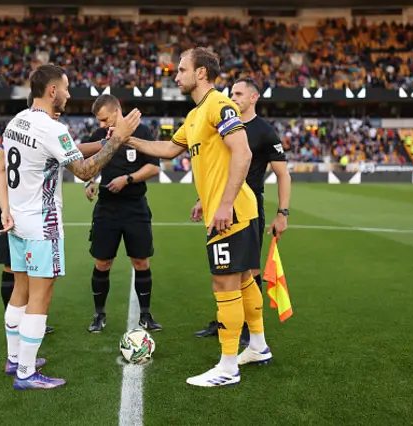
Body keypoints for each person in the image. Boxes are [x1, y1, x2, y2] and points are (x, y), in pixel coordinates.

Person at [126, 47, 269, 387]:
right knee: (245, 279)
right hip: (233, 209)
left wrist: (223, 204)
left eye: (181, 69)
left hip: (232, 212)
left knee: (225, 283)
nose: (176, 76)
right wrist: (126, 138)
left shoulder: (219, 104)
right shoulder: (194, 115)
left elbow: (243, 152)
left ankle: (228, 365)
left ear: (201, 72)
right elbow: (168, 149)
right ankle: (259, 347)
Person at [0, 64, 142, 390]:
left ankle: (15, 359)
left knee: (20, 290)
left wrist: (5, 209)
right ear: (51, 91)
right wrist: (117, 139)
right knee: (40, 297)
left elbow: (0, 167)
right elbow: (86, 171)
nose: (69, 94)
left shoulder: (17, 121)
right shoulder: (50, 128)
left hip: (17, 221)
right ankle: (26, 374)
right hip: (42, 224)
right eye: (66, 88)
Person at [193, 78, 291, 348]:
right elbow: (217, 169)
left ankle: (250, 329)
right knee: (226, 270)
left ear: (253, 98)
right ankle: (226, 320)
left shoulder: (264, 131)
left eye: (238, 93)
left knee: (249, 269)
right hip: (222, 204)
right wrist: (203, 200)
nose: (232, 97)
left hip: (248, 207)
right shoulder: (223, 125)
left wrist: (282, 212)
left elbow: (283, 174)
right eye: (231, 92)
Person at [83, 94, 162, 333]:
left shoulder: (142, 131)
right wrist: (89, 181)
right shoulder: (99, 136)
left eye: (105, 119)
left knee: (141, 261)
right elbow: (87, 165)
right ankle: (99, 315)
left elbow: (154, 167)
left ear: (117, 111)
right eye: (99, 120)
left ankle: (146, 315)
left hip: (135, 206)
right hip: (107, 207)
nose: (102, 125)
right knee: (102, 262)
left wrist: (128, 179)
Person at [0, 183, 55, 334]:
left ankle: (24, 319)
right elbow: (1, 170)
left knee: (27, 266)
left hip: (26, 203)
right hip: (7, 202)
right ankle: (14, 321)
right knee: (12, 264)